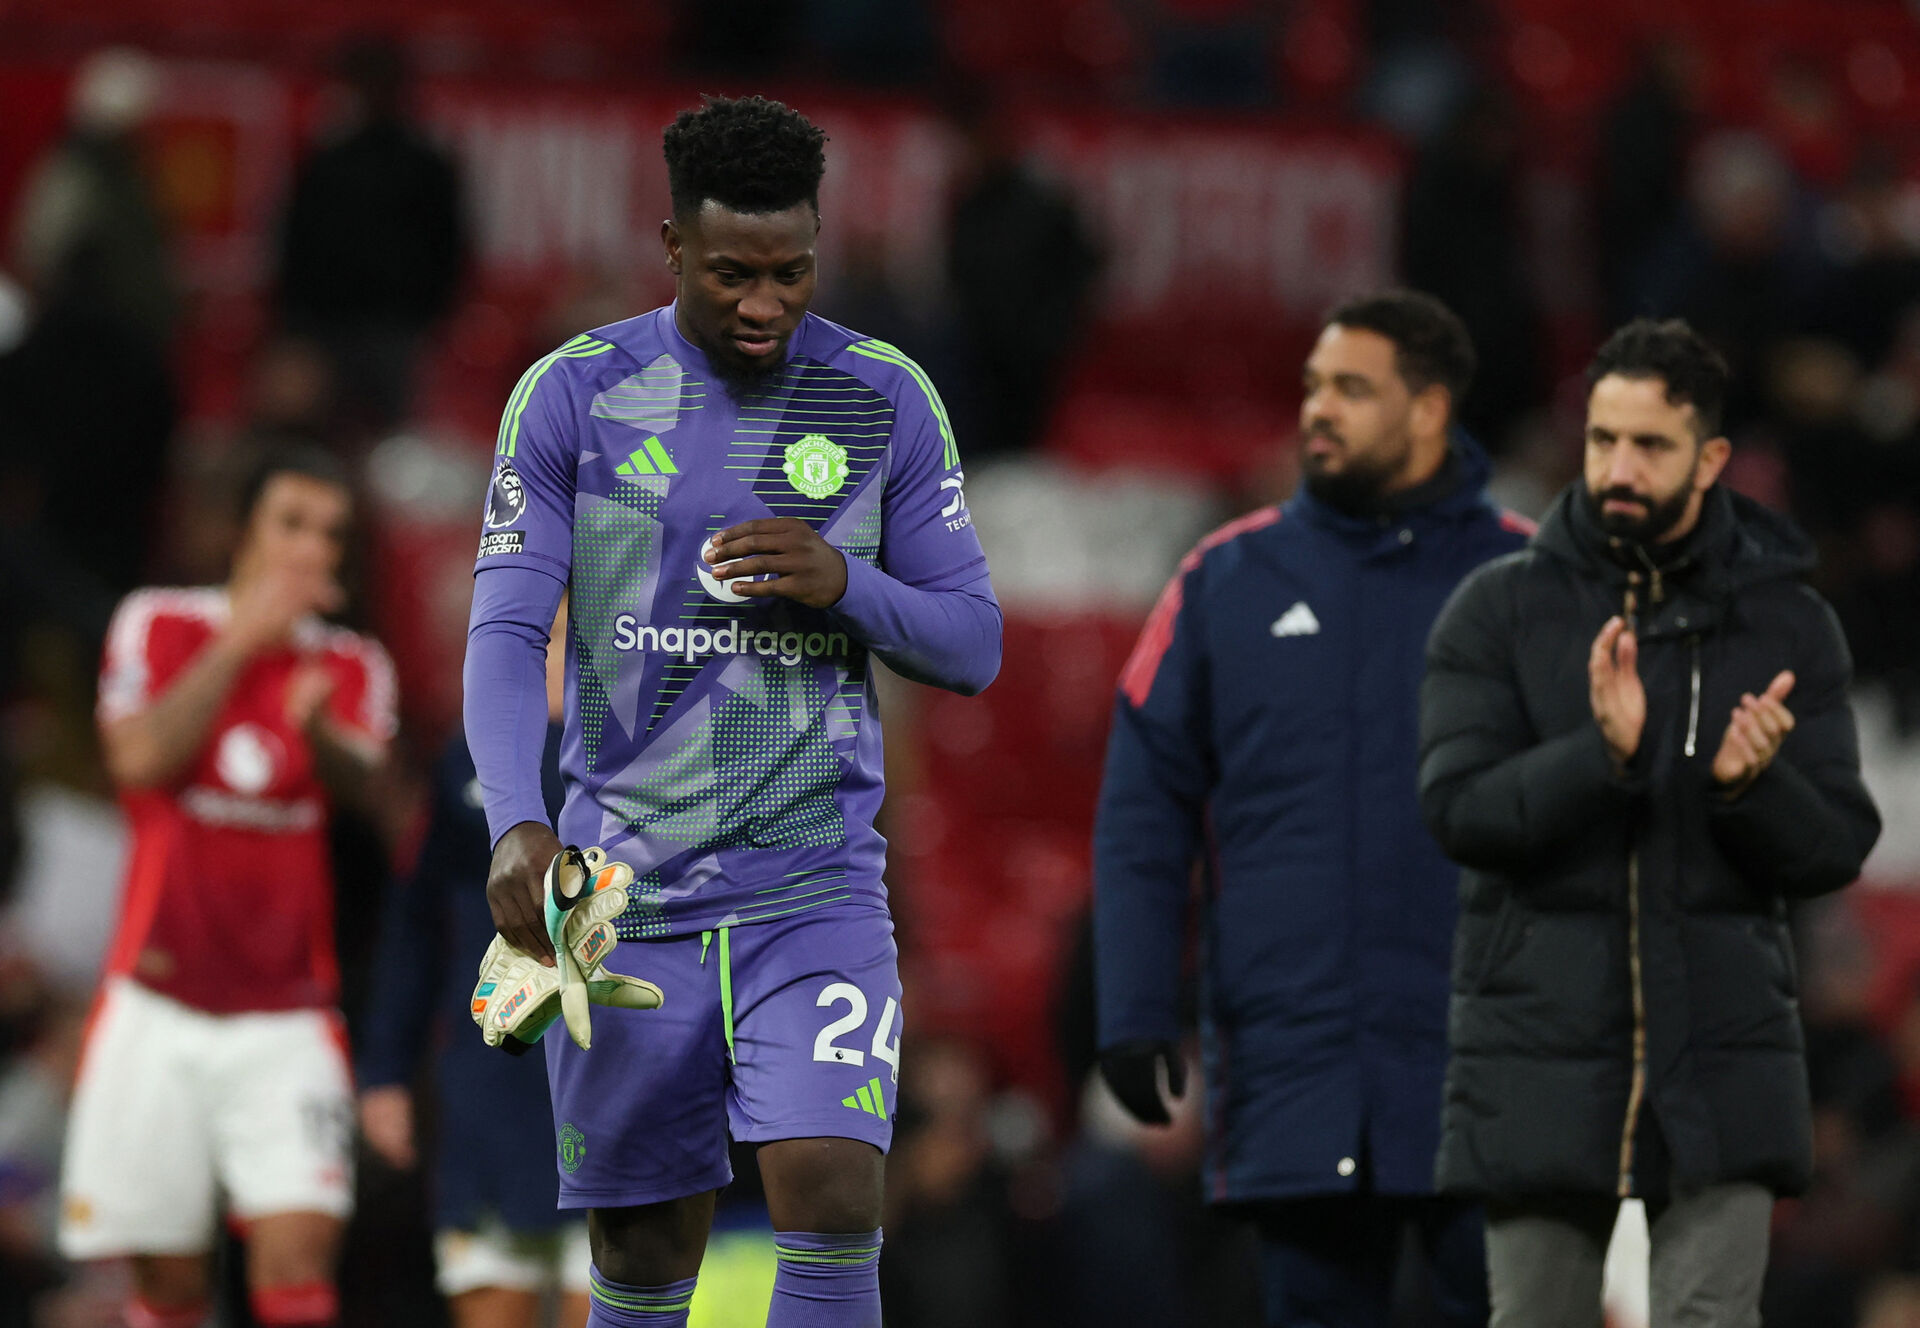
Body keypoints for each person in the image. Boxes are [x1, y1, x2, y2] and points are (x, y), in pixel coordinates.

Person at [463, 94, 1000, 1328]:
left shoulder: (882, 398)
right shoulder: (573, 398)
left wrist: (847, 582)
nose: (766, 303)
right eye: (733, 274)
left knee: (832, 1190)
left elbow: (975, 644)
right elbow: (502, 632)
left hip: (812, 888)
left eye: (792, 271)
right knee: (646, 1252)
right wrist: (513, 819)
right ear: (670, 248)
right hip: (621, 895)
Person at [1418, 318, 1882, 1327]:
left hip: (1723, 1058)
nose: (1618, 466)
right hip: (1538, 1059)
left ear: (1712, 457)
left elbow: (1838, 844)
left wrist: (1752, 785)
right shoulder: (1495, 612)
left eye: (1651, 445)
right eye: (1602, 439)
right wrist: (1604, 759)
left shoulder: (1790, 624)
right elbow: (1459, 810)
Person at [1092, 289, 1529, 1327]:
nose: (1316, 409)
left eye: (1351, 388)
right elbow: (1141, 807)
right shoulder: (1223, 580)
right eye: (1312, 385)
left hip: (1498, 1060)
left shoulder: (1534, 580)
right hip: (1299, 1057)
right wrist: (1135, 1004)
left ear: (1428, 409)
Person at [58, 447, 396, 1328]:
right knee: (167, 1280)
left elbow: (367, 783)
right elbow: (138, 760)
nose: (311, 549)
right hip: (156, 1003)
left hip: (288, 1015)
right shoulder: (159, 622)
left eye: (331, 534)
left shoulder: (354, 664)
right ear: (242, 531)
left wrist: (318, 730)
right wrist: (242, 643)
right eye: (291, 523)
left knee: (297, 1259)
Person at [358, 602, 588, 1328]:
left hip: (615, 1098)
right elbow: (414, 927)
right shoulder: (471, 764)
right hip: (488, 1102)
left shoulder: (655, 765)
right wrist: (385, 1075)